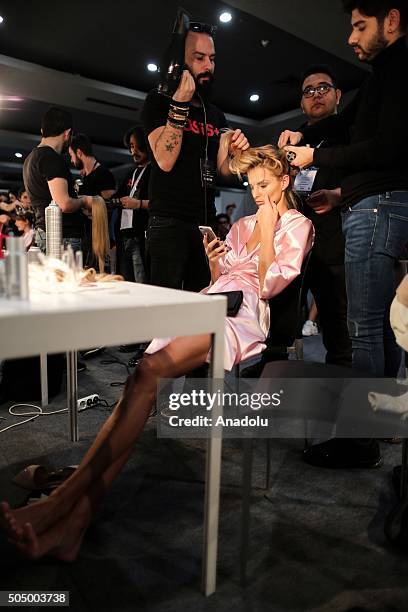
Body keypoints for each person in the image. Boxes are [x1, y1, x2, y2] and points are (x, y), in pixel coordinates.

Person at [0, 139, 313, 559]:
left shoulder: (296, 224)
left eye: (263, 184)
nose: (257, 194)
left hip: (243, 317)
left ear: (285, 179)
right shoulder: (240, 227)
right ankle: (73, 521)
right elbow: (225, 275)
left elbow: (270, 284)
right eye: (251, 186)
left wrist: (270, 227)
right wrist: (214, 258)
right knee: (140, 377)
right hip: (213, 299)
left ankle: (61, 503)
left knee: (147, 375)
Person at [281, 0, 408, 468]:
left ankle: (360, 440)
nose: (351, 38)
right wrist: (338, 194)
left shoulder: (397, 69)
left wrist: (315, 159)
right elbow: (352, 130)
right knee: (380, 326)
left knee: (363, 329)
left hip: (377, 209)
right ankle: (378, 425)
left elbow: (387, 146)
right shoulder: (382, 75)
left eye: (359, 26)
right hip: (369, 202)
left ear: (391, 20)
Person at [141, 22, 249, 292]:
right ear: (180, 62)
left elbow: (223, 170)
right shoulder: (158, 101)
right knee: (164, 309)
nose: (208, 66)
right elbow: (165, 160)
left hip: (205, 222)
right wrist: (179, 103)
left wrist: (237, 153)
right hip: (167, 222)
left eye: (212, 59)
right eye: (199, 58)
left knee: (202, 304)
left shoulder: (216, 115)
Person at [279, 64, 352, 367]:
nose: (316, 95)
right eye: (309, 91)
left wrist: (338, 195)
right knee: (283, 311)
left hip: (337, 239)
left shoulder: (350, 133)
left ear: (338, 95)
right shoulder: (294, 139)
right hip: (296, 242)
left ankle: (341, 378)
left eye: (323, 88)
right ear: (301, 102)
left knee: (336, 319)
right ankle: (276, 364)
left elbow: (372, 180)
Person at [23, 107, 93, 252]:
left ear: (43, 130)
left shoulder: (30, 158)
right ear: (67, 133)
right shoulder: (51, 158)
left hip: (45, 231)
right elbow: (64, 204)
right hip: (61, 236)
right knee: (67, 275)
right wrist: (84, 201)